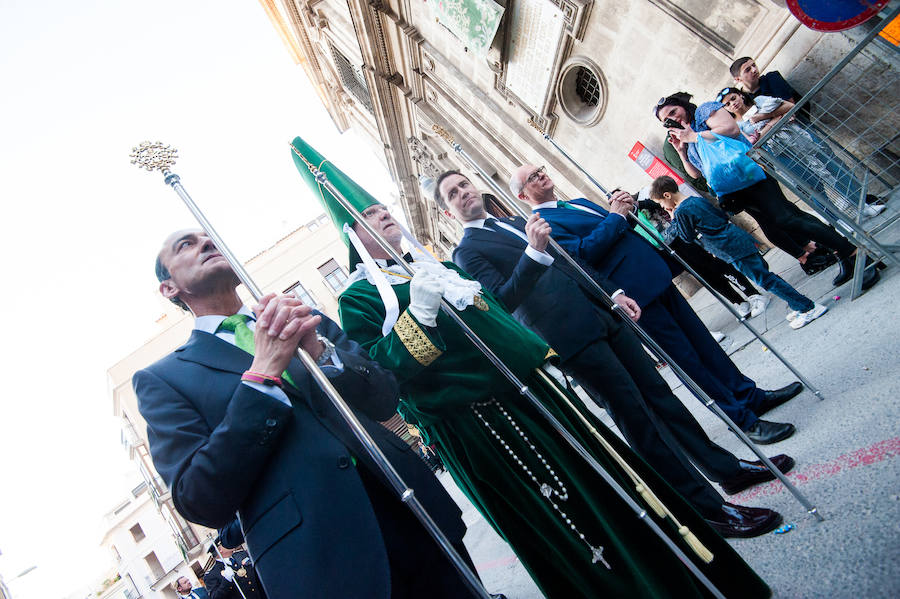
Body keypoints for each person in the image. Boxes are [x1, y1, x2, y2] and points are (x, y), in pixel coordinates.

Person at [332, 199, 774, 599]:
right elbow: (385, 377)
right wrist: (421, 314)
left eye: (382, 207)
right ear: (353, 235)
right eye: (367, 215)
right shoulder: (357, 298)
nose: (382, 213)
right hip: (487, 419)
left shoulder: (440, 266)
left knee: (618, 472)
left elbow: (498, 318)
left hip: (535, 387)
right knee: (579, 510)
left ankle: (695, 540)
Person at [134, 229, 479, 599]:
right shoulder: (163, 379)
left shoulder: (301, 318)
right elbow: (199, 498)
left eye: (210, 237)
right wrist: (261, 378)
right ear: (169, 288)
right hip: (321, 557)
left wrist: (323, 355)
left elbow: (384, 397)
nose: (207, 243)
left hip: (410, 508)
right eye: (186, 244)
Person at [437, 169, 794, 517]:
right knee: (639, 421)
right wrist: (532, 252)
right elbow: (503, 300)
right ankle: (703, 508)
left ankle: (726, 470)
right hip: (570, 338)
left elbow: (569, 261)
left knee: (663, 399)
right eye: (452, 194)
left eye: (463, 184)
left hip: (603, 315)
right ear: (446, 209)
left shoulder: (514, 223)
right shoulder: (466, 252)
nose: (463, 193)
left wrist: (613, 293)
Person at [511, 163, 802, 444]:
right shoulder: (543, 226)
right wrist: (615, 216)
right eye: (532, 178)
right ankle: (742, 420)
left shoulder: (575, 202)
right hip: (633, 294)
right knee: (688, 360)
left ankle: (749, 395)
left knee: (704, 344)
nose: (540, 177)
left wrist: (627, 209)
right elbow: (583, 255)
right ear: (523, 195)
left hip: (653, 274)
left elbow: (620, 228)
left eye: (540, 171)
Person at [656, 92, 880, 290]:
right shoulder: (684, 137)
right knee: (780, 224)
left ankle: (854, 253)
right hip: (730, 189)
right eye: (667, 119)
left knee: (788, 218)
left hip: (749, 175)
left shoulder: (704, 112)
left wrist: (694, 136)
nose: (673, 118)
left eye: (674, 111)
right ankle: (843, 253)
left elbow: (731, 130)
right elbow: (696, 174)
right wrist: (682, 150)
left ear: (683, 105)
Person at [650, 175, 827, 329]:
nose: (663, 207)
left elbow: (686, 237)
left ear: (667, 195)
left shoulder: (681, 211)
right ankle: (798, 304)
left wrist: (673, 218)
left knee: (765, 279)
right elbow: (721, 216)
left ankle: (807, 307)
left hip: (729, 247)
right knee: (766, 276)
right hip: (736, 239)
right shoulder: (696, 200)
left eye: (661, 203)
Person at [717, 86, 886, 219]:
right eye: (728, 104)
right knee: (810, 186)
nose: (733, 103)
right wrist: (776, 120)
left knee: (834, 167)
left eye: (733, 98)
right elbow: (755, 143)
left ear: (740, 95)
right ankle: (841, 221)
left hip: (800, 138)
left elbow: (789, 107)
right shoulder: (736, 126)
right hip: (780, 154)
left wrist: (763, 119)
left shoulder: (760, 101)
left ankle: (863, 205)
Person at [636, 191, 768, 318]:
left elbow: (661, 203)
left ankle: (752, 293)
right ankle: (738, 302)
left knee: (720, 266)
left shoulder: (645, 202)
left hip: (685, 237)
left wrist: (637, 205)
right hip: (670, 250)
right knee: (706, 277)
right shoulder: (627, 221)